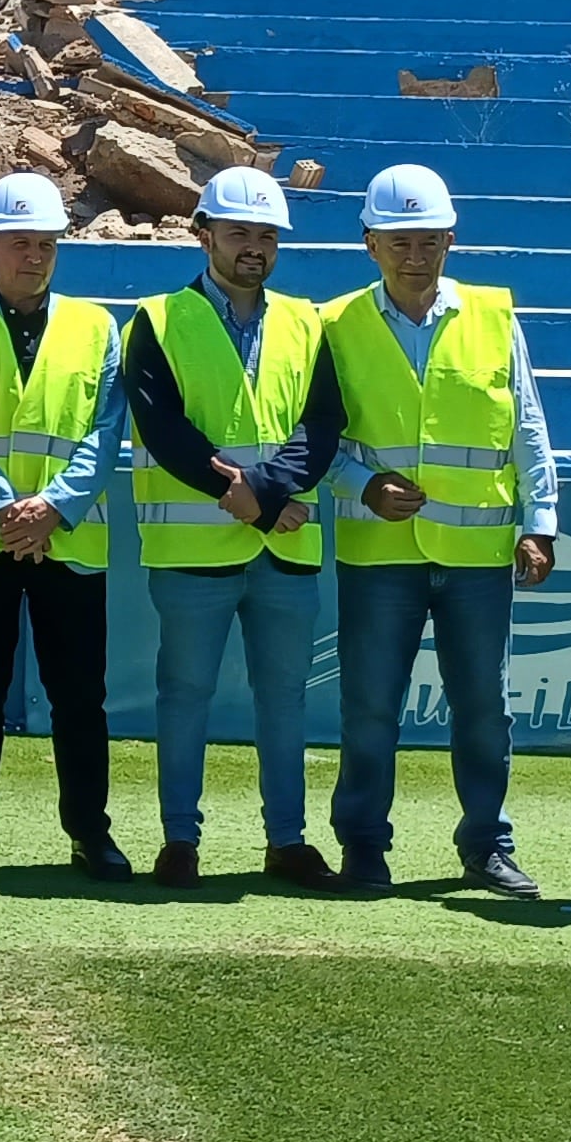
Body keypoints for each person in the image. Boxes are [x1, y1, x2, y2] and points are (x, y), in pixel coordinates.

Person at [321, 164, 556, 899]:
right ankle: (364, 847)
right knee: (368, 709)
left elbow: (527, 427)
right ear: (369, 243)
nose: (413, 255)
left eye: (427, 241)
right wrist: (362, 485)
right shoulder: (332, 324)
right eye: (398, 241)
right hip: (377, 550)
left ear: (451, 241)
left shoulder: (494, 316)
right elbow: (311, 437)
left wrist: (540, 522)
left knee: (485, 708)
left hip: (479, 552)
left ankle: (487, 844)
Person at [125, 164, 345, 890]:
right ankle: (179, 841)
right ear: (203, 234)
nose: (254, 246)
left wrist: (268, 490)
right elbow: (162, 426)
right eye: (239, 232)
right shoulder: (156, 319)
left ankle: (287, 839)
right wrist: (242, 492)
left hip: (282, 545)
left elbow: (322, 425)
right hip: (195, 548)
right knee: (183, 696)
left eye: (265, 234)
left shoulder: (308, 322)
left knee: (284, 699)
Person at [0, 171, 133, 880]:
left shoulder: (97, 326)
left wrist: (53, 507)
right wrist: (1, 508)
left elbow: (106, 432)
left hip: (69, 539)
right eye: (19, 243)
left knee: (81, 695)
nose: (34, 256)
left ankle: (90, 832)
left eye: (46, 243)